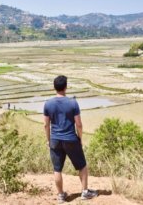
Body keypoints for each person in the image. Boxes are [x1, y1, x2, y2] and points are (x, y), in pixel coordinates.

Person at [43, 75, 98, 203]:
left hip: (55, 140)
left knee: (57, 169)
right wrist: (80, 137)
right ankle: (85, 192)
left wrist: (48, 140)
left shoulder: (48, 104)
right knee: (82, 166)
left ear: (54, 87)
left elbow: (46, 125)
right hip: (71, 138)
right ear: (66, 87)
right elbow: (78, 124)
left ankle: (61, 195)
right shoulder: (72, 103)